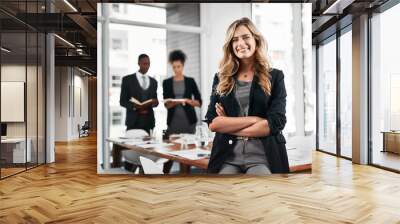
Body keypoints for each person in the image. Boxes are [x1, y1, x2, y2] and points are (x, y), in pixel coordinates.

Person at [205, 17, 289, 175]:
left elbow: (275, 122)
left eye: (245, 37)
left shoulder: (276, 76)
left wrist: (227, 125)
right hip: (227, 157)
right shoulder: (221, 78)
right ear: (230, 46)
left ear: (256, 39)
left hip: (263, 157)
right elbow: (213, 122)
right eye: (235, 40)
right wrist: (255, 120)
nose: (240, 43)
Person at [163, 50, 202, 135]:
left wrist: (188, 101)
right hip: (173, 122)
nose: (176, 69)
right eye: (174, 67)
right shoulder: (166, 83)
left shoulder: (190, 81)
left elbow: (199, 103)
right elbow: (166, 105)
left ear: (183, 66)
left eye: (178, 66)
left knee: (190, 146)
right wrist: (177, 102)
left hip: (189, 121)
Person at [120, 54, 159, 134]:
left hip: (149, 122)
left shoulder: (154, 82)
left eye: (148, 64)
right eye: (144, 64)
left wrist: (155, 103)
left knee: (149, 146)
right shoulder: (127, 80)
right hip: (133, 122)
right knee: (131, 146)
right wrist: (134, 106)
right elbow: (122, 101)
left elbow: (155, 100)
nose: (147, 66)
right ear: (139, 63)